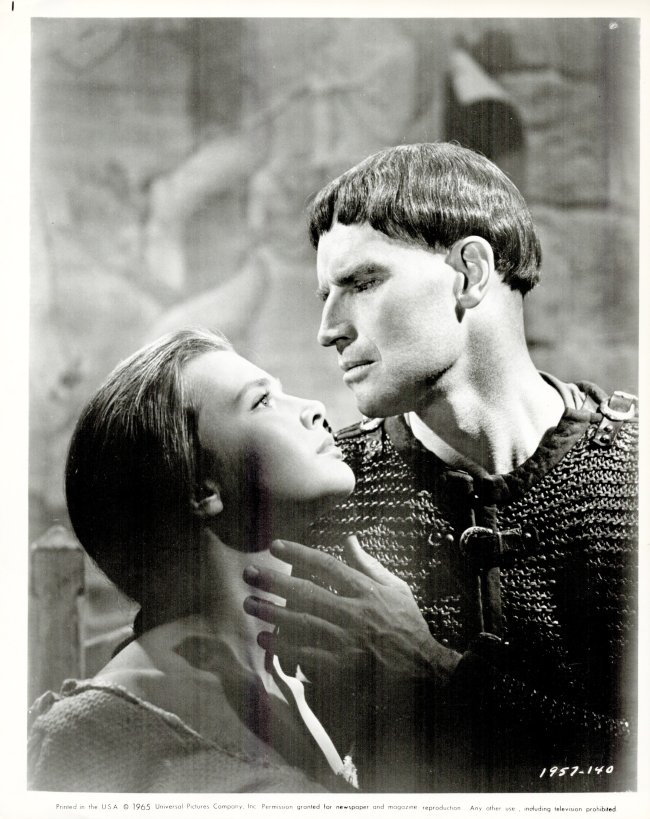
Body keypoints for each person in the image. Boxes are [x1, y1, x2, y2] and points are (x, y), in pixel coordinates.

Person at [242, 143, 638, 792]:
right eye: (325, 295)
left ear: (469, 273)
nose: (328, 329)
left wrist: (432, 669)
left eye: (362, 283)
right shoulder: (329, 491)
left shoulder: (634, 475)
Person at [28, 329, 359, 793]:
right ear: (201, 488)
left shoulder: (300, 682)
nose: (314, 408)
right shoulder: (103, 726)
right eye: (262, 401)